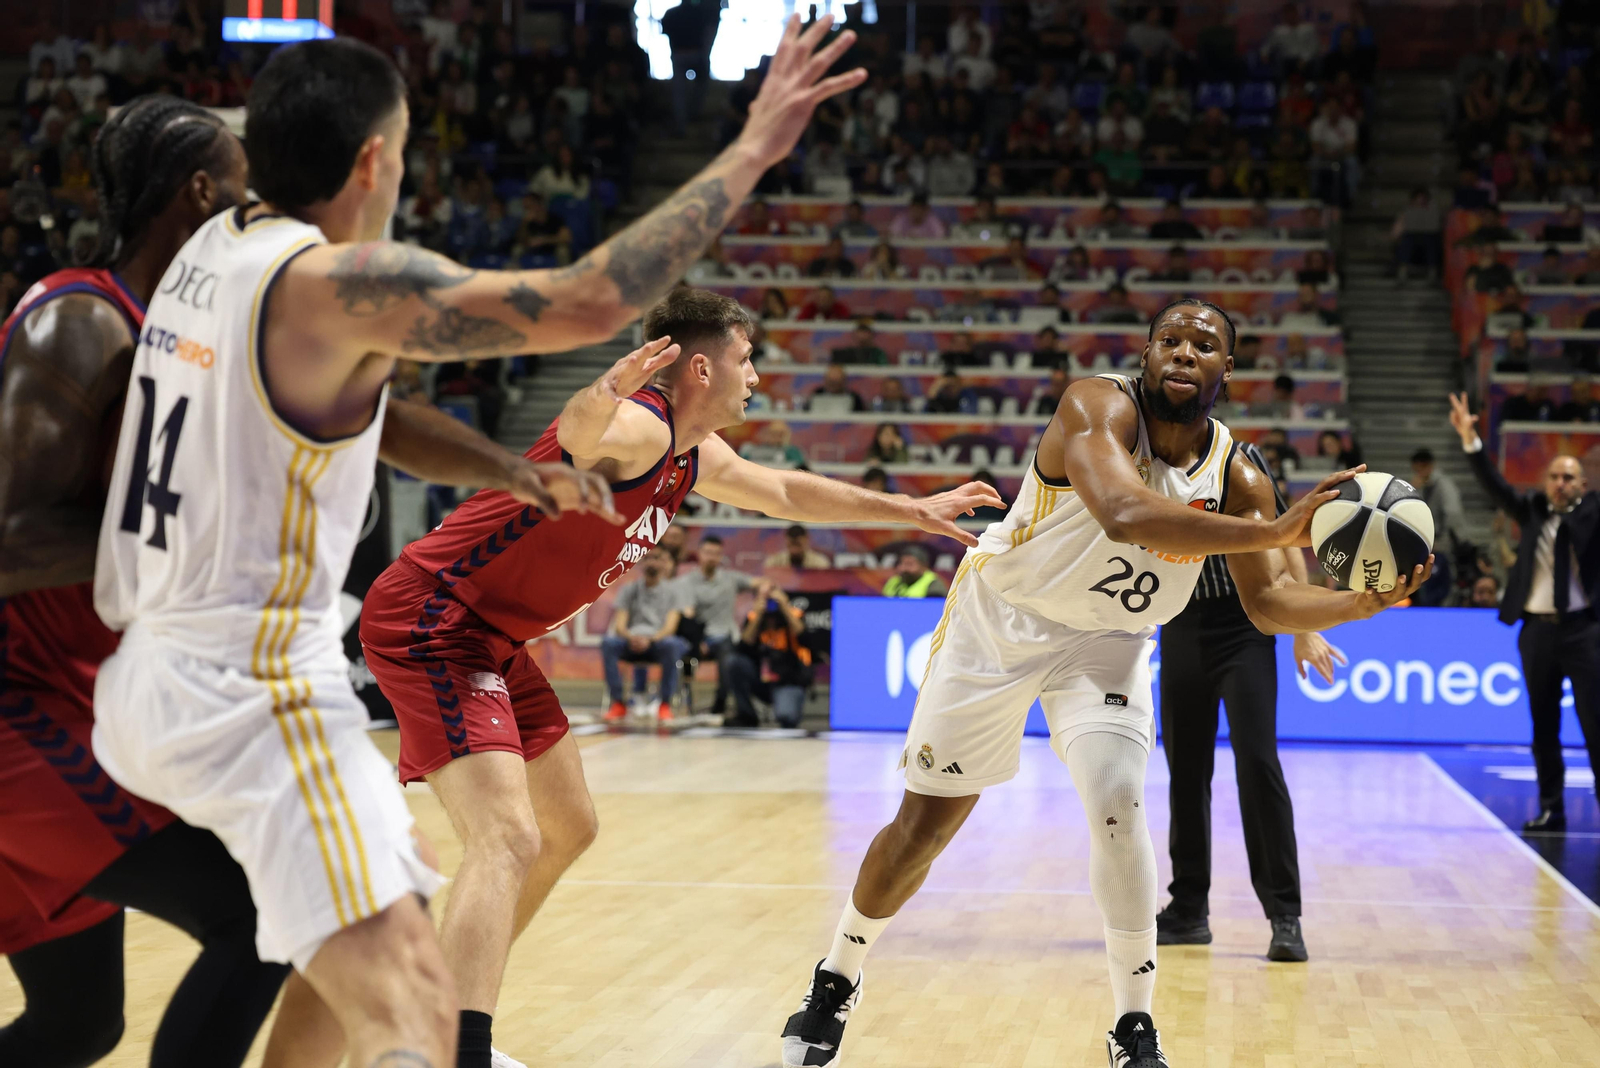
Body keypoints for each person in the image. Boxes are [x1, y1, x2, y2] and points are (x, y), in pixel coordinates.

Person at [92, 22, 871, 1068]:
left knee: (343, 934)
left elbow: (372, 410)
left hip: (146, 670)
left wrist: (507, 470)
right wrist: (755, 148)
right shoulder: (331, 282)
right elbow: (588, 299)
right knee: (413, 998)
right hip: (247, 692)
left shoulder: (210, 255)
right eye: (404, 150)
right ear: (374, 160)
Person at [779, 299, 1426, 1068]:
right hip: (1004, 624)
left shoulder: (1241, 475)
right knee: (924, 829)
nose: (1184, 354)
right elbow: (1124, 513)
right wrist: (1276, 531)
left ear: (1228, 368)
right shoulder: (1096, 404)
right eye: (1170, 341)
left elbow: (1269, 603)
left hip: (1110, 646)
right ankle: (838, 973)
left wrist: (1359, 603)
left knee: (1120, 807)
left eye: (1204, 345)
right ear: (1147, 355)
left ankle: (1134, 1025)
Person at [362, 289, 998, 1064]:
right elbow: (580, 431)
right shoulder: (638, 428)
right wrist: (603, 392)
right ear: (700, 365)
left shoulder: (694, 455)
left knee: (568, 826)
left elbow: (788, 492)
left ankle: (433, 1001)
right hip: (436, 619)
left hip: (492, 638)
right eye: (745, 358)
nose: (756, 376)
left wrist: (908, 509)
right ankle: (453, 1046)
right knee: (507, 834)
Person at [0, 94, 297, 1068]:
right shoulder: (78, 321)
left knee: (80, 1024)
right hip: (18, 716)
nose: (260, 213)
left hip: (85, 710)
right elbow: (10, 535)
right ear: (201, 193)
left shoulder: (182, 339)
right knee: (264, 908)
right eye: (246, 192)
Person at [1157, 440, 1343, 962]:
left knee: (1258, 764)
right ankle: (1188, 910)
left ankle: (1285, 915)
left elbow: (1283, 541)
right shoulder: (1141, 462)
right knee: (1186, 772)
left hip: (1245, 625)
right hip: (1180, 623)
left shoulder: (1240, 457)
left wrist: (1302, 629)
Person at [1449, 392, 1600, 832]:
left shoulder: (1592, 512)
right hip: (1537, 631)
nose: (1561, 483)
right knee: (1543, 725)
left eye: (1569, 477)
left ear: (1582, 485)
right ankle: (1552, 808)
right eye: (1554, 476)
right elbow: (1495, 486)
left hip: (1584, 631)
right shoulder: (1532, 510)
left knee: (1595, 721)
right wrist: (1470, 439)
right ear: (1545, 481)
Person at [600, 546, 690, 720]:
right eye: (648, 558)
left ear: (664, 563)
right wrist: (631, 637)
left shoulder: (673, 592)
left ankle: (665, 704)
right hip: (632, 641)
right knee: (608, 643)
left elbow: (670, 627)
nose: (652, 562)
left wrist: (649, 640)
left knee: (673, 645)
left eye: (656, 558)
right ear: (641, 562)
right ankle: (618, 703)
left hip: (658, 642)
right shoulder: (629, 589)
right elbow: (620, 625)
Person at [676, 534, 757, 717]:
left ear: (721, 556)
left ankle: (720, 702)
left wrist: (766, 587)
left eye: (716, 553)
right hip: (696, 636)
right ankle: (685, 705)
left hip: (724, 636)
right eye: (708, 552)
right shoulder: (686, 582)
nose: (711, 557)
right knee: (679, 650)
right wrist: (699, 642)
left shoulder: (730, 579)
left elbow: (758, 582)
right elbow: (688, 617)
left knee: (729, 658)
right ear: (699, 554)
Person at [725, 581, 813, 728]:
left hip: (788, 680)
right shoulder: (754, 617)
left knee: (787, 717)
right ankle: (747, 715)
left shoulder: (794, 615)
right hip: (761, 680)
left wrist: (785, 607)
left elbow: (804, 638)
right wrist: (758, 615)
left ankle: (787, 706)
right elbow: (743, 646)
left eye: (772, 595)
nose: (770, 601)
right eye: (764, 597)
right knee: (733, 661)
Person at [1411, 447, 1468, 550]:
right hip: (1436, 540)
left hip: (1450, 544)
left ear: (1428, 466)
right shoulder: (1424, 486)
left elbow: (1453, 515)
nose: (1417, 474)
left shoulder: (1444, 485)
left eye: (1419, 470)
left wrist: (1442, 543)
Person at [766, 522, 841, 571]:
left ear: (806, 540)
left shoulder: (819, 563)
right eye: (791, 544)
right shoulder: (774, 562)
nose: (795, 549)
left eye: (798, 544)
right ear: (786, 541)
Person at [882, 546, 948, 597]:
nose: (903, 568)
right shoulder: (893, 582)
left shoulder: (934, 585)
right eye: (901, 563)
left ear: (924, 566)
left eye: (909, 564)